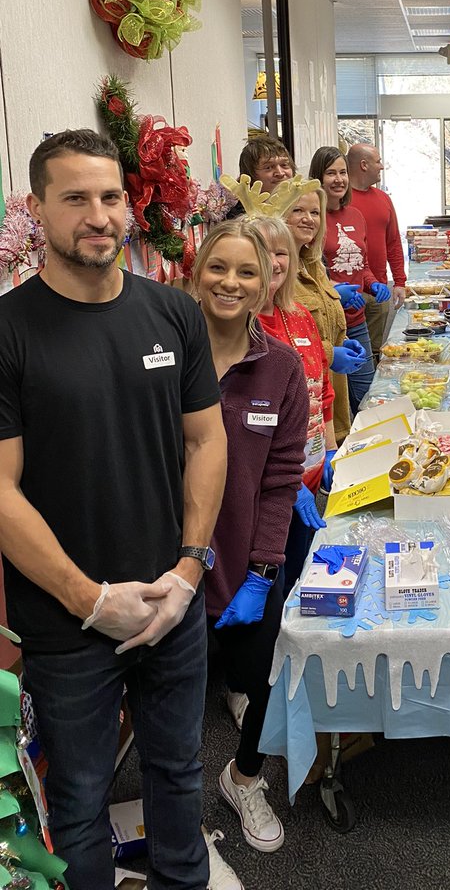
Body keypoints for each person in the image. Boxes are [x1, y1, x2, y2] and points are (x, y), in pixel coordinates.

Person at [0, 130, 227, 890]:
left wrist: (190, 570)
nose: (97, 216)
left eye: (109, 197)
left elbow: (206, 441)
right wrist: (90, 600)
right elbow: (0, 489)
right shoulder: (8, 331)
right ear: (36, 211)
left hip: (172, 602)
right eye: (74, 199)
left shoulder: (174, 314)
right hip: (66, 624)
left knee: (178, 771)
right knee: (79, 796)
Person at [191, 220, 308, 853]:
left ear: (265, 284)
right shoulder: (165, 357)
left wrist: (265, 571)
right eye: (218, 267)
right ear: (195, 274)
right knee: (174, 699)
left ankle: (244, 777)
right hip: (169, 564)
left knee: (263, 681)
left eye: (246, 272)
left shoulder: (280, 368)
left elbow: (280, 477)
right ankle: (176, 812)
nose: (230, 282)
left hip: (246, 561)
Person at [251, 215, 332, 589]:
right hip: (268, 492)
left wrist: (330, 450)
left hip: (311, 476)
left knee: (303, 577)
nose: (273, 261)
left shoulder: (298, 316)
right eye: (261, 251)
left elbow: (323, 387)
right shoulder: (241, 328)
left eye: (280, 252)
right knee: (275, 587)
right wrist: (286, 483)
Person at [309, 146, 390, 413]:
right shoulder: (311, 219)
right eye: (330, 173)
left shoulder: (355, 214)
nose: (339, 179)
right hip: (326, 325)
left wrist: (372, 282)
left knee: (367, 393)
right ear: (318, 178)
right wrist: (334, 292)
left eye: (342, 172)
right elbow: (310, 274)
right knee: (337, 405)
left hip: (355, 321)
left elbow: (361, 265)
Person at [286, 184, 364, 445]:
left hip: (331, 409)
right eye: (298, 210)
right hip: (305, 419)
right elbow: (277, 342)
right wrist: (329, 354)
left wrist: (342, 344)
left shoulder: (313, 264)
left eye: (315, 212)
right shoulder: (276, 273)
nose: (308, 219)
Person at [346, 143, 408, 358]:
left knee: (374, 352)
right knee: (350, 354)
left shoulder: (383, 199)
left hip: (378, 289)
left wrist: (399, 281)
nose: (381, 166)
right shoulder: (340, 200)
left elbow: (393, 243)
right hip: (348, 293)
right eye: (378, 161)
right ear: (364, 165)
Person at [226, 138, 296, 218]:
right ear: (250, 176)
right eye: (268, 167)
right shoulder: (241, 216)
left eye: (284, 165)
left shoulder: (304, 203)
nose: (280, 173)